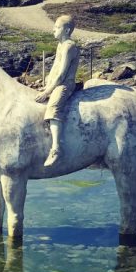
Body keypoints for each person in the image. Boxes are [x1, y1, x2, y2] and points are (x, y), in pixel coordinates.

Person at [35, 15, 80, 167]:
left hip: (64, 85)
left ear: (67, 30)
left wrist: (47, 92)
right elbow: (55, 67)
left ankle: (56, 149)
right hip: (55, 83)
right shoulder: (61, 45)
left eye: (57, 27)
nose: (53, 29)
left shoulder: (69, 46)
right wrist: (47, 84)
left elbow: (62, 73)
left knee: (53, 108)